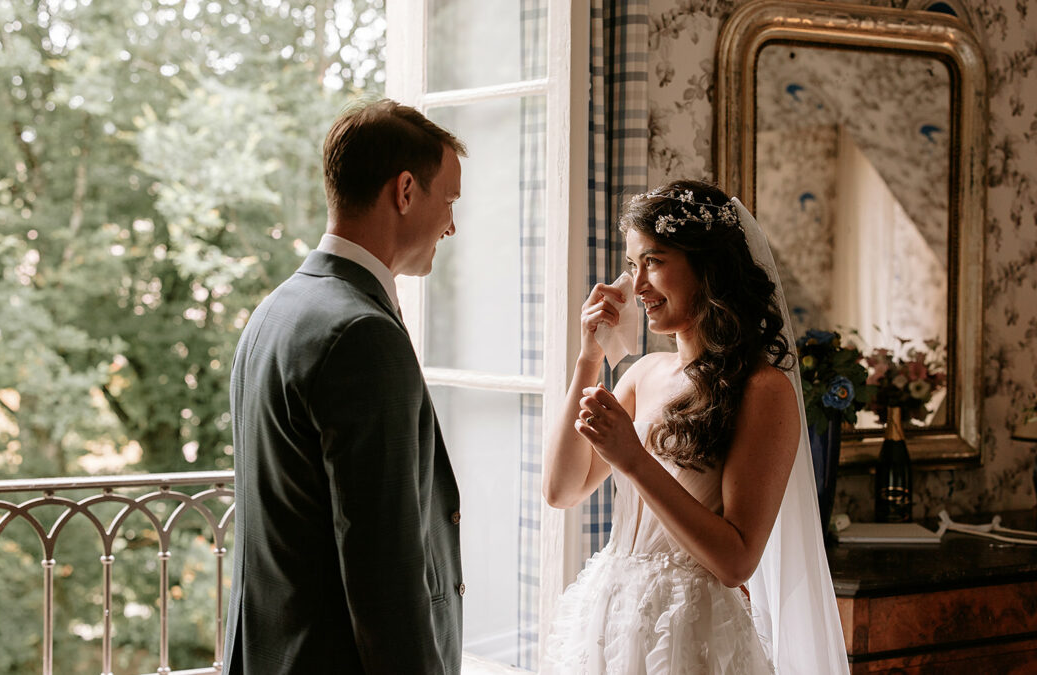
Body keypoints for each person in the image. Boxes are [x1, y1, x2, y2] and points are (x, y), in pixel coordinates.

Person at [542, 180, 848, 673]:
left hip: (691, 633)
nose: (637, 285)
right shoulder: (643, 375)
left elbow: (736, 562)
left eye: (654, 262)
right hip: (609, 620)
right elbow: (561, 489)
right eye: (631, 265)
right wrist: (588, 357)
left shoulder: (762, 390)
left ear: (708, 268)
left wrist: (635, 460)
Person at [223, 99, 467, 674]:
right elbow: (384, 570)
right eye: (449, 200)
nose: (452, 224)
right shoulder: (362, 333)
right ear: (405, 191)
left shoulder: (277, 309)